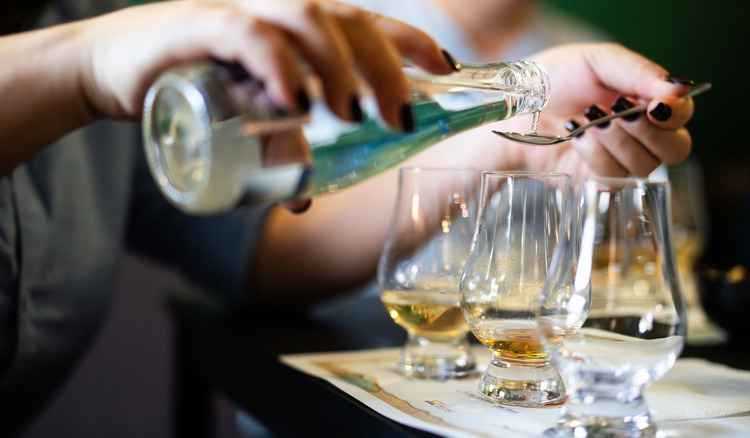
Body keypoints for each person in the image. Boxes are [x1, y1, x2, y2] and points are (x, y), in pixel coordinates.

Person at [0, 0, 695, 434]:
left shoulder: (79, 13)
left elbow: (259, 253)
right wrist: (78, 66)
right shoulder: (99, 35)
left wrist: (511, 132)